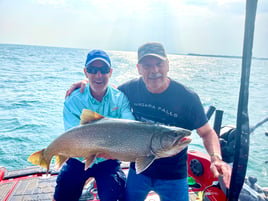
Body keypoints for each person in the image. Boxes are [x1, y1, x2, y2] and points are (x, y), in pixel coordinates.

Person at [66, 42, 232, 201]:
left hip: (173, 175)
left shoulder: (187, 98)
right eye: (147, 65)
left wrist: (216, 158)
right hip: (139, 171)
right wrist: (87, 83)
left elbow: (207, 132)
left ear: (168, 65)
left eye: (159, 63)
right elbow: (105, 89)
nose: (154, 70)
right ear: (139, 69)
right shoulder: (129, 89)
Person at [54, 49, 135, 201]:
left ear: (110, 72)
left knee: (115, 194)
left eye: (103, 70)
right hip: (78, 159)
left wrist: (111, 150)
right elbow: (73, 135)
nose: (98, 75)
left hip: (108, 161)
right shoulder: (73, 99)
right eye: (93, 70)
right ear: (86, 72)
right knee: (62, 194)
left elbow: (130, 128)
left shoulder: (120, 98)